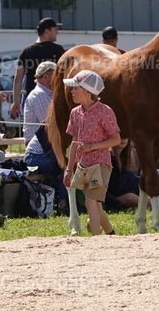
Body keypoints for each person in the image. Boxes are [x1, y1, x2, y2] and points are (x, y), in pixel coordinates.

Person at [62, 69, 121, 236]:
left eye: (75, 88)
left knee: (90, 202)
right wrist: (69, 168)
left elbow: (116, 139)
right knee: (95, 204)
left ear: (87, 92)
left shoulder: (105, 111)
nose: (72, 91)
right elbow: (74, 142)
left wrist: (91, 147)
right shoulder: (75, 113)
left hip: (100, 164)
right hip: (83, 165)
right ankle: (110, 234)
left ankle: (96, 239)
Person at [22, 61, 64, 193]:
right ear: (47, 76)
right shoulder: (39, 95)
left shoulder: (46, 94)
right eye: (55, 75)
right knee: (64, 164)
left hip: (45, 144)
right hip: (39, 147)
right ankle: (64, 201)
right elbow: (49, 125)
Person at [12, 17, 64, 117]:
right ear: (47, 31)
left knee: (31, 128)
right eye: (55, 29)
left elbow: (18, 77)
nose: (58, 32)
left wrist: (16, 101)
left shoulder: (27, 51)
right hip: (53, 100)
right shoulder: (58, 50)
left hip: (32, 98)